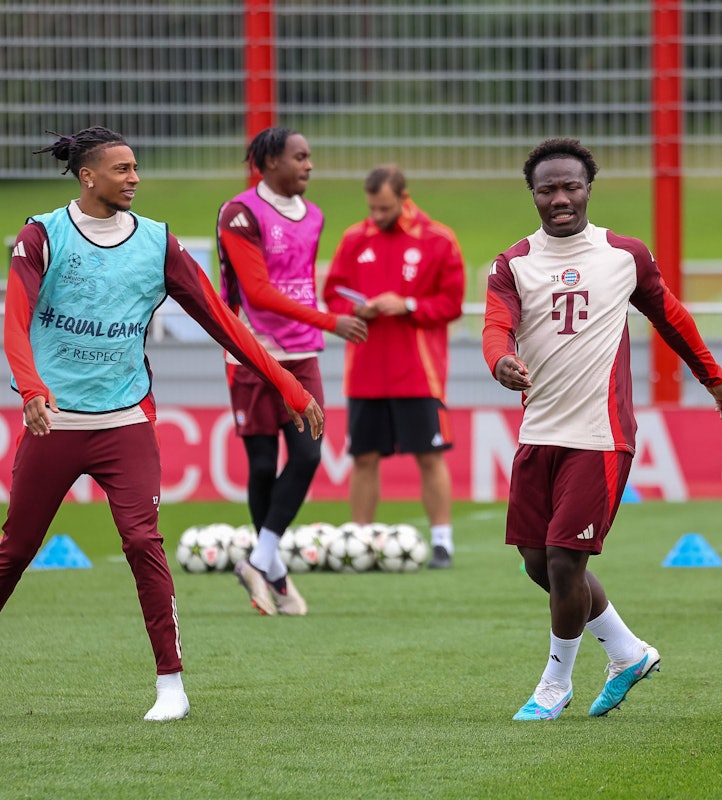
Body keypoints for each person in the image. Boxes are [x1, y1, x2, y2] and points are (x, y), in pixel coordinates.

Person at [0, 127, 325, 721]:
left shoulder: (158, 244)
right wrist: (32, 389)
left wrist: (289, 385)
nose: (135, 178)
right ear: (88, 177)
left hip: (126, 420)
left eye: (136, 167)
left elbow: (222, 320)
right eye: (122, 169)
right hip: (54, 421)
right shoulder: (41, 236)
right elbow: (15, 321)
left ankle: (171, 685)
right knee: (15, 550)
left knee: (143, 541)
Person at [482, 138, 722, 721]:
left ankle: (555, 683)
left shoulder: (624, 255)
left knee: (563, 562)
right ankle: (627, 652)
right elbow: (497, 324)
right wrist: (499, 359)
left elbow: (670, 316)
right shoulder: (512, 262)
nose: (560, 198)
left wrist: (714, 377)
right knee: (534, 559)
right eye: (547, 188)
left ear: (588, 189)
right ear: (533, 194)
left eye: (570, 186)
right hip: (539, 429)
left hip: (601, 434)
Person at [217, 127, 366, 615]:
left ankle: (259, 561)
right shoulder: (239, 213)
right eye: (300, 157)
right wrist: (331, 320)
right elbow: (257, 292)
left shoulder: (314, 215)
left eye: (309, 156)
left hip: (301, 352)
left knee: (306, 455)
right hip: (253, 351)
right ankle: (275, 573)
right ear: (270, 163)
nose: (309, 165)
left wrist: (321, 321)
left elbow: (297, 283)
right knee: (261, 465)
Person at [323, 165, 465, 569]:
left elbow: (452, 303)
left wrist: (409, 305)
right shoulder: (354, 238)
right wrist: (356, 309)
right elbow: (331, 294)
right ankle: (360, 542)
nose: (377, 215)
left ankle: (442, 542)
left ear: (404, 197)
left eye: (384, 208)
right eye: (371, 208)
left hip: (419, 373)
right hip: (365, 371)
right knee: (364, 457)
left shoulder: (438, 239)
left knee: (429, 456)